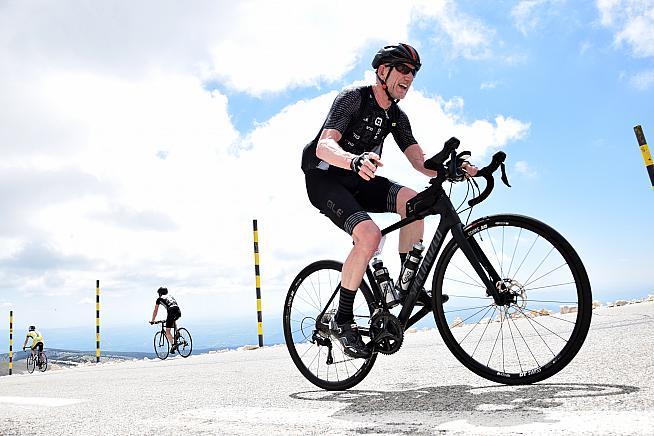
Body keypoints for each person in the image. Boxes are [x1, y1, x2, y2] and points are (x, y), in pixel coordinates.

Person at [301, 43, 477, 358]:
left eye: (414, 73)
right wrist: (353, 160)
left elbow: (421, 161)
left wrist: (453, 167)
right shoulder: (353, 98)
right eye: (404, 69)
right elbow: (324, 145)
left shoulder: (396, 116)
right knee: (369, 235)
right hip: (326, 179)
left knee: (418, 202)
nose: (409, 77)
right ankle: (342, 320)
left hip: (361, 179)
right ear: (383, 71)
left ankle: (407, 284)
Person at [149, 287, 182, 353]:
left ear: (160, 293)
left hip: (171, 312)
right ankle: (177, 332)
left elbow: (155, 310)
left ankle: (173, 346)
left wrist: (152, 320)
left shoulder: (159, 299)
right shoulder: (170, 296)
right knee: (173, 320)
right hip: (178, 311)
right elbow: (173, 306)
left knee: (167, 331)